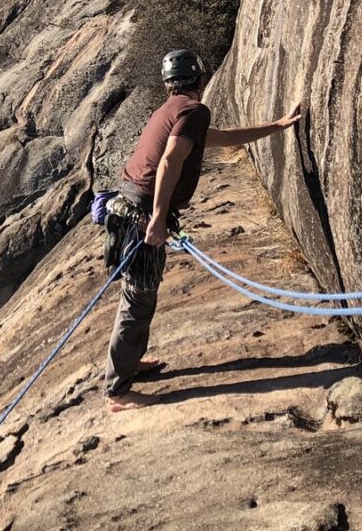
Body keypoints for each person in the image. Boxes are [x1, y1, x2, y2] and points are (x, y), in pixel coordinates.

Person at [103, 48, 302, 411]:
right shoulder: (193, 110)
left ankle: (129, 365)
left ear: (169, 84)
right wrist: (160, 218)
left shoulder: (174, 111)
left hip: (126, 207)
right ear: (201, 79)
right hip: (142, 214)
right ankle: (118, 391)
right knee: (138, 299)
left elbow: (220, 138)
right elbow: (169, 162)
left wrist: (276, 126)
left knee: (138, 296)